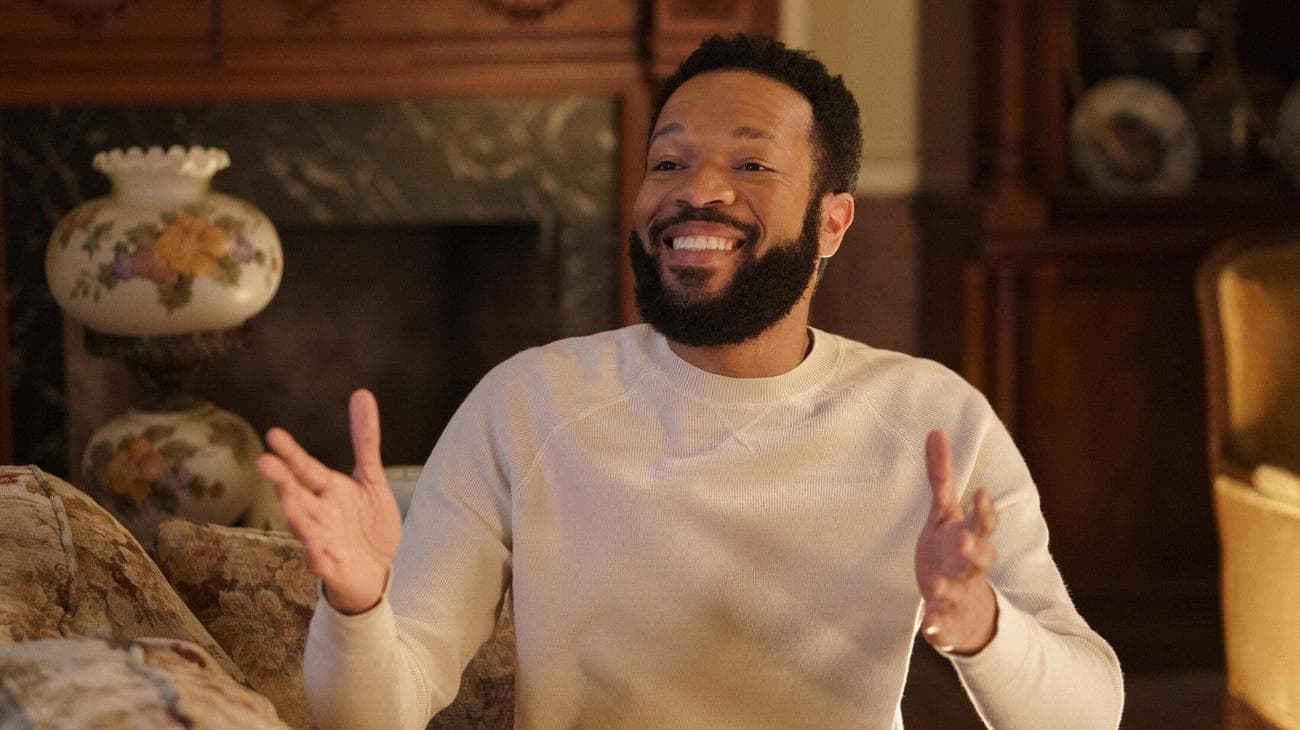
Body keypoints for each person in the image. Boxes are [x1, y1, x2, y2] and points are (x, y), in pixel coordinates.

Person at [257, 34, 1124, 730]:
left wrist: (977, 624)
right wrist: (361, 603)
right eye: (668, 163)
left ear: (833, 221)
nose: (695, 193)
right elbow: (376, 712)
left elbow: (1092, 711)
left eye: (751, 166)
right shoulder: (528, 404)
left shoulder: (931, 423)